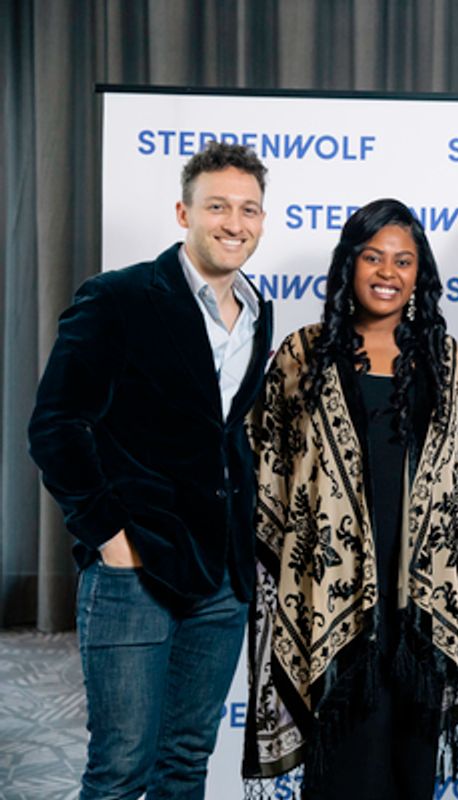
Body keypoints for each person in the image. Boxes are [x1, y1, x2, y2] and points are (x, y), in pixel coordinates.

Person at [27, 141, 272, 799]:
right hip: (137, 571)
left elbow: (224, 436)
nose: (234, 222)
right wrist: (111, 538)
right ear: (182, 212)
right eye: (217, 205)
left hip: (221, 574)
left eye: (249, 208)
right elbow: (54, 427)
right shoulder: (119, 297)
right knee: (120, 771)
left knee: (185, 762)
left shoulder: (258, 308)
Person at [242, 199, 458, 798]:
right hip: (333, 609)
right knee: (347, 775)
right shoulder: (303, 354)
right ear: (348, 264)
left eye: (403, 260)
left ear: (419, 275)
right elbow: (267, 467)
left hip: (420, 615)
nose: (387, 272)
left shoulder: (448, 364)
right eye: (372, 256)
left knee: (408, 776)